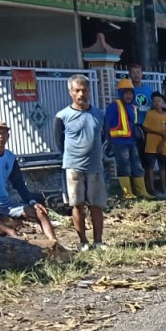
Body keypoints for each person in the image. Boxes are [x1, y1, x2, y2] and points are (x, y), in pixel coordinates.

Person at [0, 121, 57, 242]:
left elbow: (19, 183)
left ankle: (55, 243)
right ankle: (11, 233)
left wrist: (32, 202)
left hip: (3, 201)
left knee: (39, 212)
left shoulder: (10, 157)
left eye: (4, 133)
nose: (1, 136)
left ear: (8, 136)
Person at [54, 74, 106, 250]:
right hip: (73, 167)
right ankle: (83, 241)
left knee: (96, 205)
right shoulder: (62, 116)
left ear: (89, 91)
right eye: (77, 90)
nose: (80, 94)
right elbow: (59, 142)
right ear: (70, 92)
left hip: (95, 166)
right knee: (77, 204)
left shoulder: (99, 114)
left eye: (84, 90)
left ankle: (98, 241)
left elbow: (103, 135)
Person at [106, 78, 153, 199]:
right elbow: (107, 124)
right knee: (124, 166)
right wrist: (109, 141)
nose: (128, 95)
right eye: (126, 93)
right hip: (118, 142)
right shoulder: (114, 106)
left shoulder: (132, 107)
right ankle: (128, 194)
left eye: (130, 93)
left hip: (132, 141)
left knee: (137, 165)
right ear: (121, 93)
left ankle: (142, 192)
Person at [142, 92, 166, 195]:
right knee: (150, 167)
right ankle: (151, 188)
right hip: (151, 145)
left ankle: (164, 188)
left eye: (159, 101)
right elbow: (145, 127)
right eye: (154, 101)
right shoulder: (149, 114)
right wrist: (158, 132)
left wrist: (161, 145)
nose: (157, 103)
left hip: (164, 146)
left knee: (162, 167)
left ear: (163, 102)